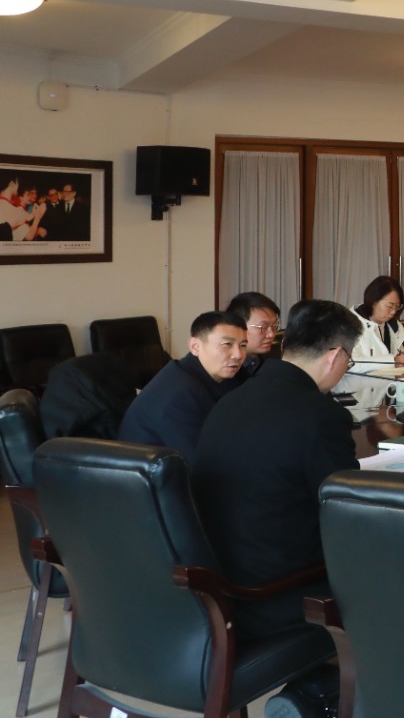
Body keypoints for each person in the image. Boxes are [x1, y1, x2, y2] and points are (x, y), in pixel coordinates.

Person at [191, 300, 360, 718]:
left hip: (216, 585)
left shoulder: (230, 401)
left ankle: (313, 695)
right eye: (349, 359)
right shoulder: (321, 415)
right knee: (396, 576)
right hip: (277, 595)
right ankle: (320, 696)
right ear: (335, 355)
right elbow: (350, 517)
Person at [117, 311, 248, 460]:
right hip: (149, 472)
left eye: (243, 345)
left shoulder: (211, 376)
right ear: (195, 346)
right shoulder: (179, 396)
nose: (238, 355)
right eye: (227, 344)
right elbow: (203, 463)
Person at [350, 275, 404, 364]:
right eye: (390, 306)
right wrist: (392, 361)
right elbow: (351, 363)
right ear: (374, 301)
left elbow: (400, 354)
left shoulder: (393, 326)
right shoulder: (350, 324)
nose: (393, 311)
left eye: (397, 306)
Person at [226, 291, 281, 378]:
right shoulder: (222, 366)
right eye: (263, 327)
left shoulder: (275, 361)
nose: (271, 335)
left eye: (274, 326)